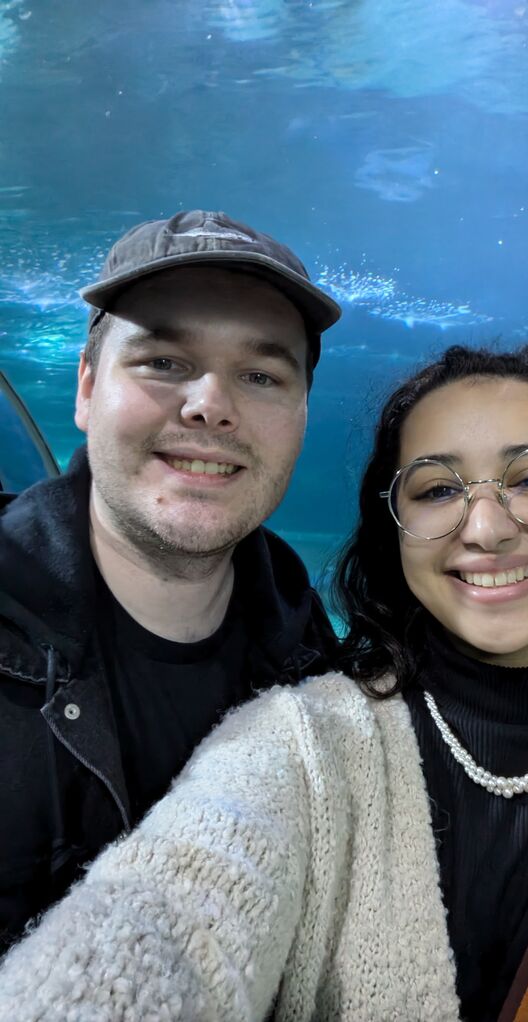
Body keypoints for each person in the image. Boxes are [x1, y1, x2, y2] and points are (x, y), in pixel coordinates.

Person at [0, 344, 528, 1021]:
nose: (488, 527)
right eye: (436, 490)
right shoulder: (299, 747)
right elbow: (168, 919)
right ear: (392, 530)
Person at [0, 210, 342, 953]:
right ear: (86, 389)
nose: (211, 405)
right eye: (163, 362)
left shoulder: (321, 668)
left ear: (302, 416)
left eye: (259, 375)